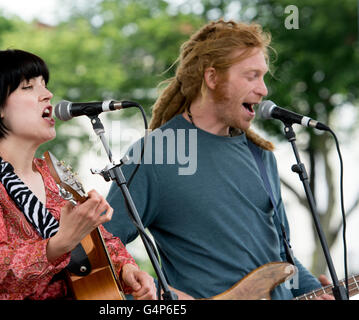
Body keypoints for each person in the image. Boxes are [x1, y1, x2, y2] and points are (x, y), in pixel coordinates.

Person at [103, 19, 333, 300]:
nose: (264, 90)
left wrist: (317, 292)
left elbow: (284, 258)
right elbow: (101, 249)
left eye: (263, 77)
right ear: (212, 78)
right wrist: (161, 295)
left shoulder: (261, 156)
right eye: (252, 76)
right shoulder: (155, 153)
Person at [0, 49, 156, 300]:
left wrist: (126, 268)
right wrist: (58, 244)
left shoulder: (53, 172)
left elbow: (95, 242)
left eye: (44, 85)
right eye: (28, 87)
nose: (47, 95)